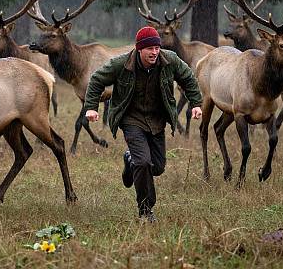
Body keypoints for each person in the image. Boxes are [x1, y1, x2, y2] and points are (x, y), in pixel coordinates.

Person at [84, 26, 202, 223]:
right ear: (140, 49)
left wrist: (196, 103)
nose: (155, 52)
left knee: (157, 167)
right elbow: (96, 79)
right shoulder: (121, 64)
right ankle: (145, 209)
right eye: (150, 49)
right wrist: (91, 107)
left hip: (157, 120)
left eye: (157, 48)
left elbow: (188, 77)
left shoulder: (169, 59)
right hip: (131, 120)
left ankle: (130, 161)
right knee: (144, 163)